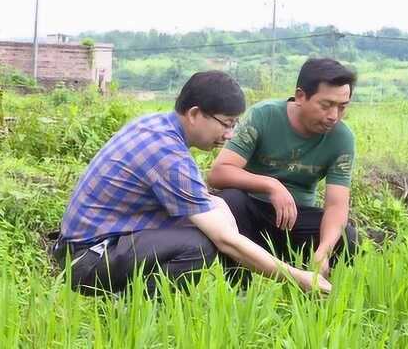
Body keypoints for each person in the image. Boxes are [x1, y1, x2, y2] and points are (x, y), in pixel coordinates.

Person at [52, 70, 331, 296]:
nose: (229, 134)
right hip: (86, 259)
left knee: (213, 215)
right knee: (198, 244)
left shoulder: (156, 125)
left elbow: (209, 201)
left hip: (86, 246)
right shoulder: (167, 155)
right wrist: (297, 278)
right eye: (226, 123)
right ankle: (135, 311)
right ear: (195, 114)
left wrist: (221, 210)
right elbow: (226, 241)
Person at [208, 58, 359, 279]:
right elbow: (219, 173)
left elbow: (337, 205)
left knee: (346, 236)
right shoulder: (264, 116)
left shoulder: (342, 138)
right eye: (325, 105)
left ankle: (318, 295)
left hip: (295, 220)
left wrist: (324, 250)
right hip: (251, 215)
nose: (333, 116)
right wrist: (271, 185)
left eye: (342, 107)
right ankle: (240, 288)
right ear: (300, 96)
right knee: (229, 201)